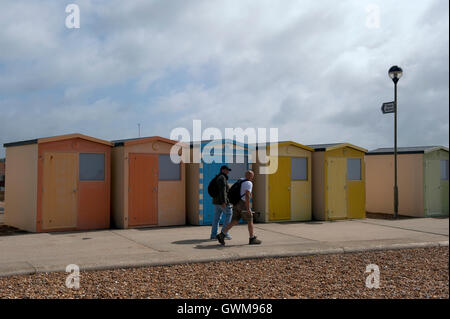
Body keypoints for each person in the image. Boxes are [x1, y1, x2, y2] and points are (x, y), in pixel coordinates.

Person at [217, 170, 261, 245]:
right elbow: (247, 195)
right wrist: (247, 209)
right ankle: (252, 238)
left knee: (235, 220)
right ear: (251, 176)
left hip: (236, 203)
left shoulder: (241, 180)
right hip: (243, 204)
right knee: (250, 219)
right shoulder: (249, 183)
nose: (253, 177)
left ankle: (222, 234)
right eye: (252, 176)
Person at [210, 165, 233, 240]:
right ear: (222, 170)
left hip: (216, 201)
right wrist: (223, 202)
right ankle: (224, 233)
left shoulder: (218, 177)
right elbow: (222, 191)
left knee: (216, 218)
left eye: (228, 170)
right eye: (227, 170)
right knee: (229, 214)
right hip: (221, 202)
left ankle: (213, 235)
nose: (228, 172)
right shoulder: (222, 178)